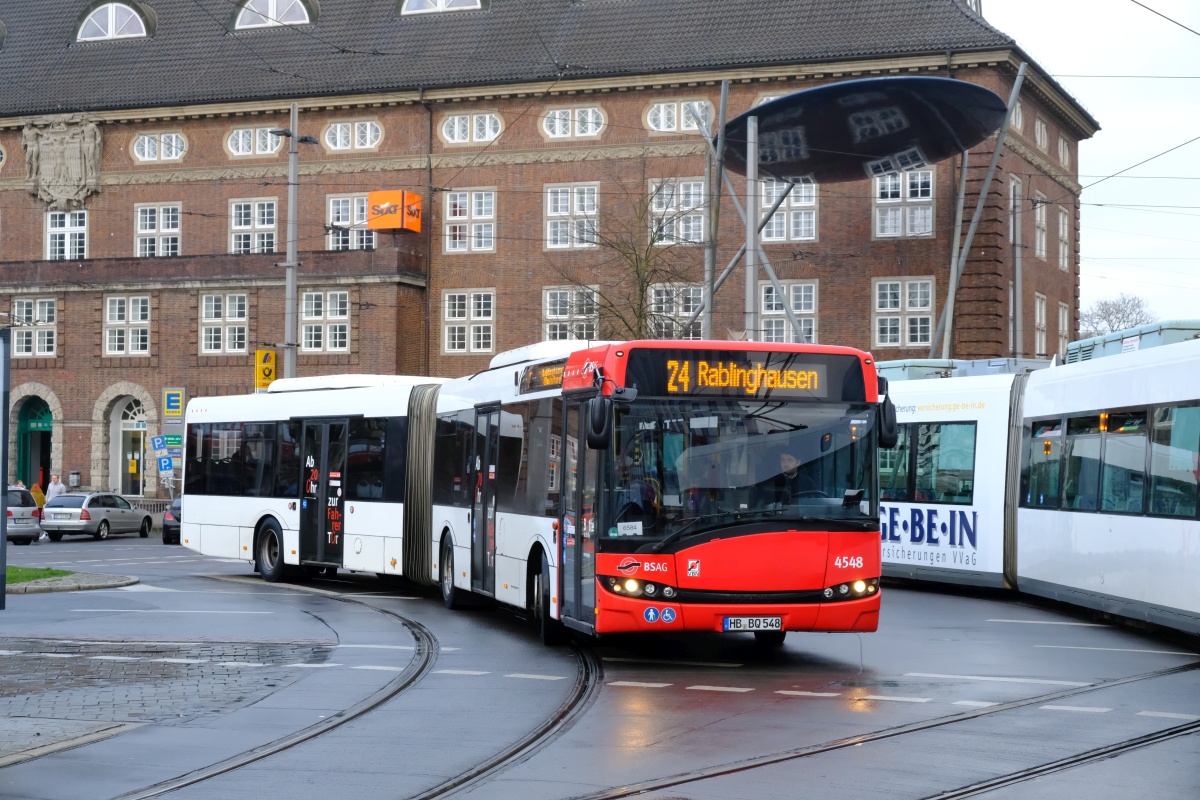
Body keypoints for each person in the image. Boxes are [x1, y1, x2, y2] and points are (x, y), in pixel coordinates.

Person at [754, 451, 822, 507]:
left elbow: (817, 504)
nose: (786, 463)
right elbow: (762, 506)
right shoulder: (771, 482)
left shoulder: (808, 483)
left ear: (798, 462)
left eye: (790, 460)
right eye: (783, 460)